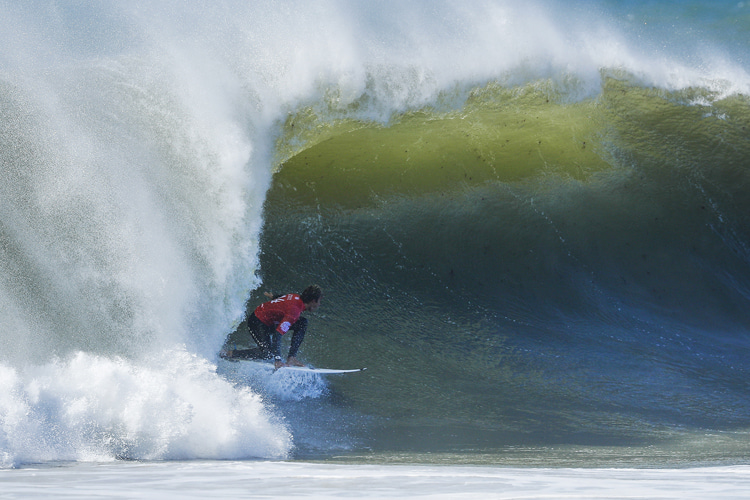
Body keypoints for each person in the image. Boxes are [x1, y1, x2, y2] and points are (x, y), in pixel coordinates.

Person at [221, 285, 323, 369]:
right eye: (319, 301)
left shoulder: (296, 297)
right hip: (257, 322)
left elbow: (283, 298)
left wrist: (274, 296)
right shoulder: (294, 312)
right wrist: (277, 360)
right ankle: (230, 353)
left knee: (302, 323)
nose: (319, 304)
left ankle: (291, 357)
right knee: (267, 354)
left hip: (268, 321)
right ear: (313, 301)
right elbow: (277, 335)